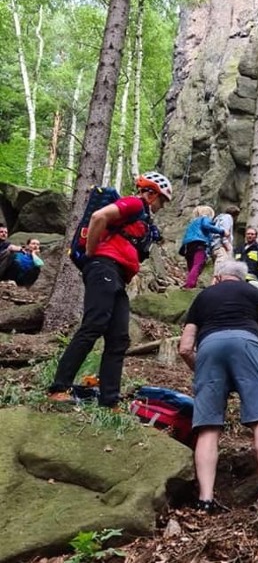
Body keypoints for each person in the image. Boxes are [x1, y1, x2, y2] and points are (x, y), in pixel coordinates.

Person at [47, 172, 172, 408]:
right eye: (162, 201)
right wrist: (92, 254)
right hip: (104, 266)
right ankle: (59, 387)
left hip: (118, 276)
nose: (161, 207)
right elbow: (98, 216)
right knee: (94, 324)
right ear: (152, 193)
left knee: (119, 339)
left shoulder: (145, 219)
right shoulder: (135, 203)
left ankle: (109, 401)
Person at [178, 260, 258, 512]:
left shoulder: (203, 296)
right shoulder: (253, 292)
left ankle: (205, 499)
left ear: (217, 278)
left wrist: (205, 374)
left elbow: (185, 348)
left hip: (208, 348)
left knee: (207, 427)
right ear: (242, 278)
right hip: (247, 344)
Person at [179, 206, 225, 289]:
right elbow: (206, 226)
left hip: (188, 245)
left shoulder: (193, 222)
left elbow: (186, 235)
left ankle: (188, 283)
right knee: (197, 264)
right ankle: (190, 285)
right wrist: (221, 231)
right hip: (199, 243)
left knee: (191, 266)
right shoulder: (205, 218)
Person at [234, 227, 258, 292]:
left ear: (256, 236)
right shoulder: (239, 248)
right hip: (238, 279)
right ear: (245, 235)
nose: (250, 236)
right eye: (248, 234)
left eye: (252, 234)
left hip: (251, 280)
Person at [211, 205, 240, 275]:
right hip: (221, 245)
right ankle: (217, 282)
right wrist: (227, 246)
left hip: (214, 245)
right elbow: (224, 232)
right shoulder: (227, 218)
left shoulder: (218, 218)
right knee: (221, 264)